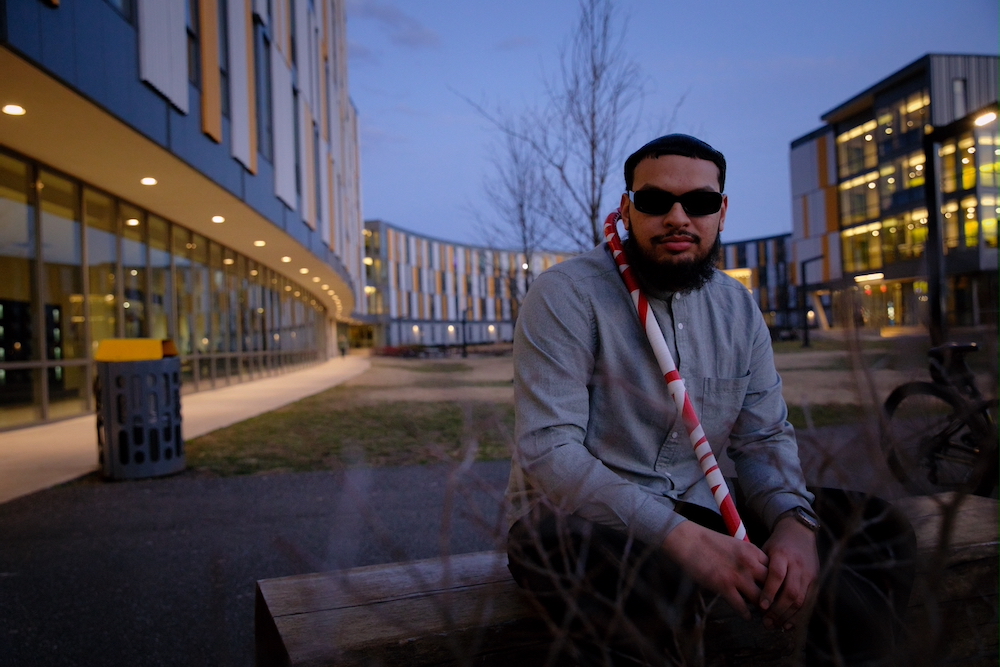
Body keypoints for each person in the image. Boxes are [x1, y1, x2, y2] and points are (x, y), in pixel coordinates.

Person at [505, 134, 915, 666]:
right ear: (627, 209)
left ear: (722, 212)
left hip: (703, 504)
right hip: (588, 519)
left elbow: (763, 437)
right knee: (620, 573)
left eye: (698, 202)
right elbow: (548, 451)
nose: (678, 216)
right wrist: (682, 540)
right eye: (656, 201)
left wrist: (794, 522)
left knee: (881, 529)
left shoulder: (738, 307)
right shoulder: (565, 294)